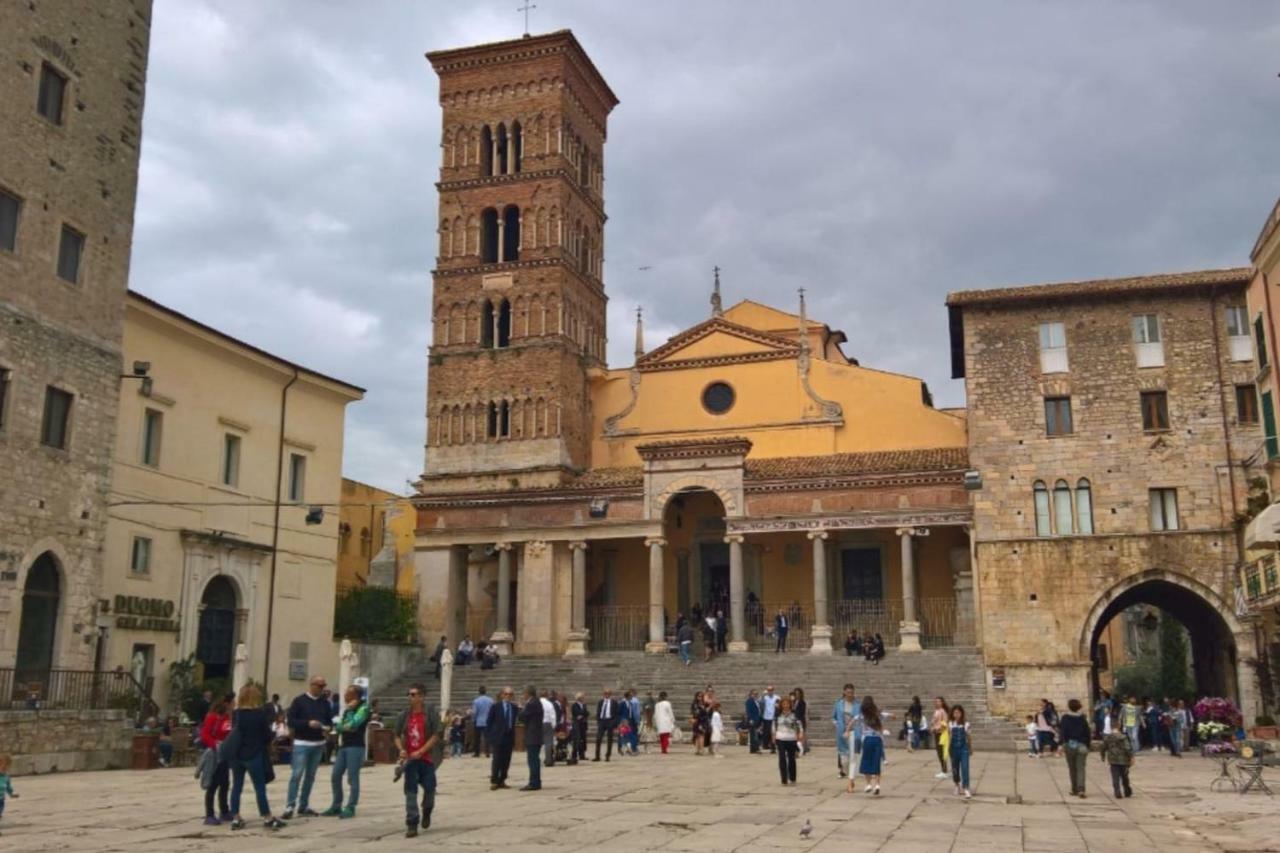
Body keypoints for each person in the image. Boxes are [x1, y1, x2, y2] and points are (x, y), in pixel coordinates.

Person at [228, 683, 286, 830]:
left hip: (237, 754)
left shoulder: (236, 714)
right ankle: (267, 816)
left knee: (236, 786)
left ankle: (235, 817)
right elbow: (266, 736)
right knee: (259, 787)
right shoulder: (259, 714)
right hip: (254, 754)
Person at [394, 683, 443, 837]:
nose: (410, 697)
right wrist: (401, 750)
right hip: (410, 761)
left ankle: (427, 811)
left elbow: (437, 734)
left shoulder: (430, 713)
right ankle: (412, 823)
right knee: (410, 792)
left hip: (427, 759)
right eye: (409, 694)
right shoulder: (404, 715)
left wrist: (422, 751)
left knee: (429, 791)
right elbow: (396, 735)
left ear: (421, 697)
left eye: (413, 694)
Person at [282, 675, 330, 820]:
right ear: (312, 685)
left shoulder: (325, 703)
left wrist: (327, 728)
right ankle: (290, 805)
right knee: (297, 774)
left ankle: (303, 804)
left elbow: (328, 720)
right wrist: (307, 723)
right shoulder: (299, 701)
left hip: (318, 742)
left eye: (323, 686)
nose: (322, 689)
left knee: (310, 776)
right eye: (320, 686)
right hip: (302, 742)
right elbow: (291, 721)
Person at [325, 685, 371, 818]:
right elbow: (341, 726)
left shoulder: (364, 707)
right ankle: (336, 805)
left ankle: (351, 806)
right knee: (335, 775)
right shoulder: (347, 709)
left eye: (347, 694)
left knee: (352, 777)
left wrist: (348, 715)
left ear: (355, 696)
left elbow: (353, 725)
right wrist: (341, 727)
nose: (344, 696)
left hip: (355, 747)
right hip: (344, 745)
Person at [199, 695, 234, 825]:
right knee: (213, 784)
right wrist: (215, 744)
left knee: (225, 783)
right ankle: (209, 814)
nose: (233, 706)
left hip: (224, 753)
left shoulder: (227, 718)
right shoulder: (213, 717)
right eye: (232, 703)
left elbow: (228, 733)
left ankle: (224, 811)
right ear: (226, 704)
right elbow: (204, 734)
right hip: (214, 754)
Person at [852, 695, 887, 795]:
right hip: (877, 740)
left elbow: (852, 721)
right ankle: (877, 784)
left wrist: (846, 731)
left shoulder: (862, 715)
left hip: (867, 740)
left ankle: (868, 784)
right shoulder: (877, 714)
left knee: (867, 761)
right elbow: (889, 715)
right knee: (876, 762)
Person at [1060, 698, 1092, 798]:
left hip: (1070, 745)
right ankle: (1081, 789)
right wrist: (1087, 745)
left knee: (1072, 768)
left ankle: (1074, 789)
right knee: (1081, 768)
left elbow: (1063, 732)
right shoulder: (1082, 718)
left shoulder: (1065, 718)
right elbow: (1087, 733)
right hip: (1082, 745)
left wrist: (1061, 744)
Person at [487, 686, 517, 790]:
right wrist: (490, 736)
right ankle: (494, 780)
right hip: (498, 737)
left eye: (510, 694)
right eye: (506, 694)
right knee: (497, 759)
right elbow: (489, 722)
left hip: (509, 737)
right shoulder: (495, 707)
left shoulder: (514, 708)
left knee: (506, 760)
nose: (508, 696)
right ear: (501, 695)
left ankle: (502, 780)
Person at [1101, 715, 1134, 798]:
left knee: (1115, 776)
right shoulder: (1123, 737)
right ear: (1119, 726)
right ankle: (1127, 790)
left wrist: (1103, 756)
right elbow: (1127, 748)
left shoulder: (1108, 737)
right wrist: (1131, 757)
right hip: (1123, 760)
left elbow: (1103, 747)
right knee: (1125, 776)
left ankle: (1117, 791)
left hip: (1113, 760)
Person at [833, 684, 861, 779]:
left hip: (854, 730)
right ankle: (843, 769)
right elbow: (834, 717)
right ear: (844, 692)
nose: (850, 694)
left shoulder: (858, 704)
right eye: (848, 692)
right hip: (842, 730)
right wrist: (837, 724)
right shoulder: (839, 704)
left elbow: (860, 717)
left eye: (852, 692)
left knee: (853, 751)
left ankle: (852, 772)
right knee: (842, 751)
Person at [773, 696, 804, 784]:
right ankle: (784, 779)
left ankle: (792, 777)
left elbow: (799, 724)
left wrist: (801, 733)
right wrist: (773, 735)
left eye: (787, 704)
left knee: (791, 759)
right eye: (784, 704)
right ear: (781, 705)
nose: (785, 706)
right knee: (782, 758)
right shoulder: (778, 715)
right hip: (780, 738)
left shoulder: (794, 715)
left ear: (790, 705)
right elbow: (774, 725)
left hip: (791, 738)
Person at [519, 685, 543, 791]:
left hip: (533, 735)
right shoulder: (536, 702)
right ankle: (536, 781)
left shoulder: (532, 703)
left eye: (523, 693)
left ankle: (534, 782)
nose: (522, 696)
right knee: (534, 759)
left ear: (527, 693)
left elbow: (522, 716)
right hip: (536, 735)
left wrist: (521, 707)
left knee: (532, 760)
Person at [949, 704, 972, 799]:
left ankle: (966, 787)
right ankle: (956, 784)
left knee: (965, 767)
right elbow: (949, 736)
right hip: (954, 748)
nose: (957, 714)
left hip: (964, 748)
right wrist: (948, 748)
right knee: (955, 768)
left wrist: (970, 748)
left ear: (961, 713)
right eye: (955, 713)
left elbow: (969, 737)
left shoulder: (966, 724)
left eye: (958, 712)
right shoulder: (950, 724)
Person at [594, 688, 619, 762]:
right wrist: (598, 721)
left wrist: (614, 724)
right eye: (605, 693)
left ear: (610, 694)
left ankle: (608, 755)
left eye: (608, 693)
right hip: (602, 721)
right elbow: (598, 711)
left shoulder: (614, 702)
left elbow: (616, 714)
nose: (606, 695)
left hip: (610, 721)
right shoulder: (601, 702)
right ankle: (597, 756)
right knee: (598, 738)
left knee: (609, 739)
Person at [471, 686, 494, 758]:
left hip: (478, 721)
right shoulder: (490, 700)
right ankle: (487, 752)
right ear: (485, 691)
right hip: (488, 721)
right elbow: (492, 711)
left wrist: (473, 719)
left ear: (479, 692)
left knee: (477, 738)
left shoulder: (476, 701)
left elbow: (475, 712)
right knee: (487, 737)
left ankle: (477, 753)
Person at [930, 696, 950, 778]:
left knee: (942, 752)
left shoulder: (942, 711)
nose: (937, 703)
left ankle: (944, 771)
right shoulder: (936, 711)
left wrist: (936, 729)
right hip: (936, 733)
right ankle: (943, 769)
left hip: (941, 734)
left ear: (942, 702)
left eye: (938, 701)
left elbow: (944, 723)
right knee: (939, 752)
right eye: (936, 701)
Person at [538, 689, 557, 767]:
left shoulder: (537, 703)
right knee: (548, 743)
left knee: (537, 743)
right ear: (546, 695)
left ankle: (536, 759)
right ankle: (549, 760)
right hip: (547, 723)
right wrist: (553, 725)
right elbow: (552, 715)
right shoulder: (549, 704)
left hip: (538, 724)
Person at [570, 693, 589, 763]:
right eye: (582, 697)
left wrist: (582, 714)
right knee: (577, 739)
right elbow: (576, 712)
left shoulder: (584, 705)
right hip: (576, 724)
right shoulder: (574, 705)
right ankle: (574, 755)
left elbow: (587, 713)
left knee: (583, 739)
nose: (583, 698)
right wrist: (583, 713)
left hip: (583, 724)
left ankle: (582, 755)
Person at [761, 685, 780, 753]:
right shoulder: (765, 698)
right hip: (766, 717)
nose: (770, 691)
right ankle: (766, 745)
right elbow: (761, 704)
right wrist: (763, 695)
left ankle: (773, 746)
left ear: (773, 690)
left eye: (771, 690)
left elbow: (778, 706)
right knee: (767, 732)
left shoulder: (777, 697)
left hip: (774, 717)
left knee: (773, 732)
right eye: (768, 690)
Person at [745, 689, 763, 754]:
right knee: (754, 735)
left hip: (757, 720)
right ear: (751, 694)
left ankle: (753, 749)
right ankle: (756, 748)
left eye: (756, 694)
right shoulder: (749, 701)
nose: (756, 695)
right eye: (754, 694)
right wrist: (751, 719)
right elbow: (749, 711)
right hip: (753, 720)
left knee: (754, 735)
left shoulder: (756, 701)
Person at [0, 753, 15, 829]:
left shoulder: (6, 777)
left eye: (6, 769)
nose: (4, 770)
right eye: (2, 768)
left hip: (1, 800)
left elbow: (8, 787)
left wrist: (11, 794)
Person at [793, 688, 810, 755]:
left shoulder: (802, 702)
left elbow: (801, 712)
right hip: (795, 720)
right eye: (796, 694)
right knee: (796, 735)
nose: (797, 695)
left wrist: (798, 719)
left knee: (802, 735)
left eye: (798, 694)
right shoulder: (794, 701)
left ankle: (803, 749)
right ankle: (797, 748)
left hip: (800, 720)